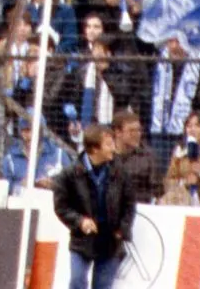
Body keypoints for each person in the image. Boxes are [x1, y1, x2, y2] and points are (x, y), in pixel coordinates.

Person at [51, 123, 135, 289]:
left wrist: (122, 229)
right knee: (77, 281)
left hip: (110, 241)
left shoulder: (120, 172)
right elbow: (61, 207)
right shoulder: (69, 175)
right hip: (82, 240)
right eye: (109, 144)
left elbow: (129, 203)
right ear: (95, 149)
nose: (114, 148)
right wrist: (80, 221)